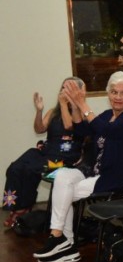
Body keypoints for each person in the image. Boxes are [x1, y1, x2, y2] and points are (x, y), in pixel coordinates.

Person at [33, 72, 123, 262]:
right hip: (95, 172)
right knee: (62, 176)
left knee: (64, 191)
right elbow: (81, 129)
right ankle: (63, 240)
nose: (118, 97)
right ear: (108, 94)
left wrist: (82, 103)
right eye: (114, 92)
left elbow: (107, 130)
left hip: (118, 177)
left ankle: (62, 241)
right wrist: (76, 106)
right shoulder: (107, 115)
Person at [4, 78, 85, 227]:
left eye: (69, 88)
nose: (64, 91)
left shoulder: (80, 113)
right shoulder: (53, 112)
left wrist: (63, 104)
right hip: (46, 152)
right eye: (63, 87)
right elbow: (39, 129)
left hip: (64, 159)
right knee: (15, 168)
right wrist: (39, 111)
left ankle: (23, 208)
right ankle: (14, 205)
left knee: (31, 169)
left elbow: (68, 126)